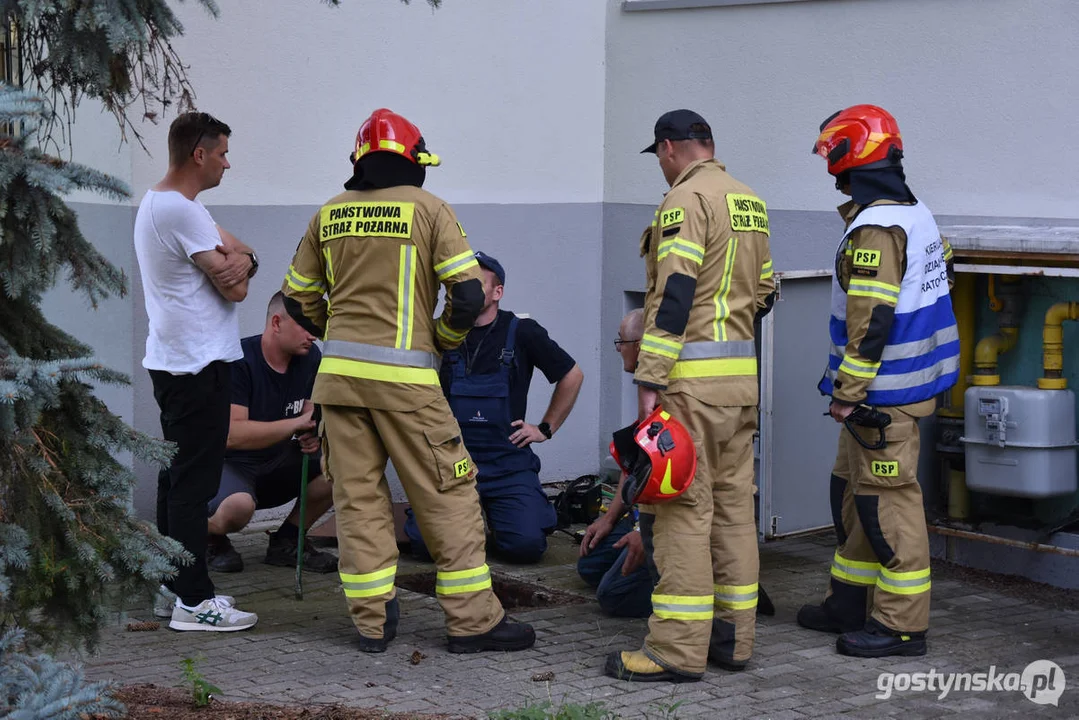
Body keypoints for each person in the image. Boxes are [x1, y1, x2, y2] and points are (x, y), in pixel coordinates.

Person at [281, 108, 534, 654]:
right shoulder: (429, 209)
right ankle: (474, 623)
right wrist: (441, 338)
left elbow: (298, 297)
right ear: (414, 161)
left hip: (340, 387)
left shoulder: (329, 214)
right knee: (449, 496)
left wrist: (339, 333)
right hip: (407, 388)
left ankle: (372, 623)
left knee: (358, 502)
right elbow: (468, 295)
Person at [606, 110, 776, 682]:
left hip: (690, 390)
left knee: (679, 513)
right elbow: (766, 290)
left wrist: (649, 380)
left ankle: (675, 652)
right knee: (732, 515)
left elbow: (675, 292)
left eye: (658, 153)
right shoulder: (749, 200)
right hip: (740, 387)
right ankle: (733, 641)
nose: (659, 163)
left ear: (672, 146)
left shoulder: (683, 202)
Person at [798, 105, 959, 658]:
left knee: (888, 507)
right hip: (894, 392)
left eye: (832, 156)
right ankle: (848, 599)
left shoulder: (878, 227)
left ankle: (901, 624)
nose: (831, 170)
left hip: (882, 398)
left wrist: (847, 395)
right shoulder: (915, 213)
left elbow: (872, 323)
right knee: (852, 496)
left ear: (850, 157)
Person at [134, 111, 260, 631]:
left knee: (176, 476)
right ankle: (194, 600)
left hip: (180, 362)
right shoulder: (180, 212)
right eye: (223, 153)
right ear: (199, 154)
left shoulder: (175, 205)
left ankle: (173, 583)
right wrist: (243, 263)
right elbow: (236, 286)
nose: (228, 163)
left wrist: (244, 258)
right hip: (195, 365)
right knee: (193, 482)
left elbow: (244, 258)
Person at [580, 309, 776, 620]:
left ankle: (710, 591)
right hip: (648, 513)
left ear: (644, 346)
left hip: (676, 515)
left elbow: (681, 485)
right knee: (589, 564)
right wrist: (610, 519)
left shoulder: (673, 399)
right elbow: (639, 467)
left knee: (612, 597)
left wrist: (644, 534)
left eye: (623, 341)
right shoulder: (650, 391)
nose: (619, 348)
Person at [404, 251, 584, 564]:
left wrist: (544, 429)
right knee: (424, 544)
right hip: (453, 461)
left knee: (526, 547)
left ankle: (499, 519)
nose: (466, 289)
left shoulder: (522, 332)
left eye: (476, 283)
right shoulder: (438, 332)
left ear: (497, 292)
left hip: (507, 464)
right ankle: (469, 517)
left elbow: (572, 375)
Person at [203, 292, 337, 575]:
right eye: (305, 324)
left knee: (340, 468)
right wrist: (295, 425)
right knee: (238, 508)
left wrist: (312, 436)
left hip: (275, 462)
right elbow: (233, 435)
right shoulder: (238, 361)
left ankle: (287, 541)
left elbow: (310, 415)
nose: (314, 335)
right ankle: (204, 537)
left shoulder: (310, 357)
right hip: (229, 464)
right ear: (276, 322)